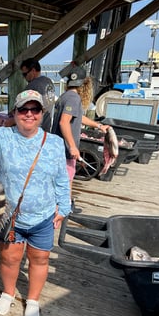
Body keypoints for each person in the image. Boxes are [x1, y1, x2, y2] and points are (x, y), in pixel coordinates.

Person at [0, 89, 71, 316]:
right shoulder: (2, 136)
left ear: (42, 113)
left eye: (34, 109)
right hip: (9, 217)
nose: (29, 114)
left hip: (44, 216)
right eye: (23, 109)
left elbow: (61, 179)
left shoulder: (55, 143)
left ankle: (33, 299)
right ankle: (8, 292)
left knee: (40, 259)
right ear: (14, 112)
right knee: (10, 258)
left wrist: (63, 208)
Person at [49, 66, 109, 213]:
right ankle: (65, 208)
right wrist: (72, 146)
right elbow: (64, 122)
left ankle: (64, 205)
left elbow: (78, 117)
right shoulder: (74, 99)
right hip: (65, 149)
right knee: (67, 179)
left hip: (56, 147)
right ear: (85, 84)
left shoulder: (64, 96)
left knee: (60, 179)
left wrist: (98, 125)